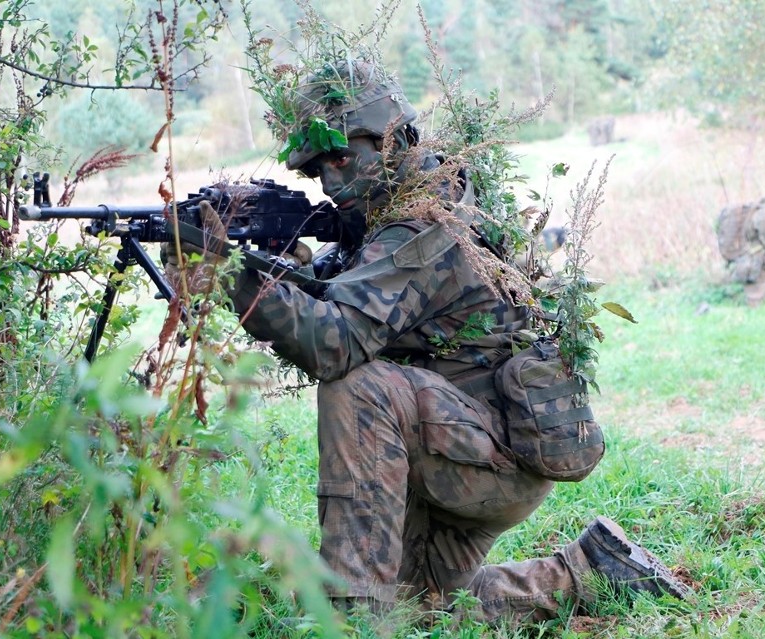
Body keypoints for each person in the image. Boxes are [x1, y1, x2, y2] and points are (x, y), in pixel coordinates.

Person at [163, 60, 689, 626]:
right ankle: (587, 573)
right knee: (422, 605)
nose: (333, 182)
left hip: (487, 455)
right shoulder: (421, 195)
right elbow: (363, 300)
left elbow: (335, 342)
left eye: (343, 157)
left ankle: (349, 619)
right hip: (462, 440)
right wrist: (285, 274)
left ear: (394, 138)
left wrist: (232, 276)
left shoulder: (422, 225)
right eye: (318, 171)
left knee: (358, 387)